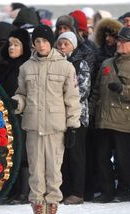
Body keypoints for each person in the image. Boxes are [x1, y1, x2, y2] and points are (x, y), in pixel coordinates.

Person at [12, 25, 81, 214]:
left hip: (55, 128)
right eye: (37, 41)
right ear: (33, 43)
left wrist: (72, 127)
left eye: (44, 41)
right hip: (33, 127)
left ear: (51, 43)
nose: (41, 45)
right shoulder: (26, 68)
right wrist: (16, 103)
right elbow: (22, 94)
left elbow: (72, 99)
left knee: (53, 174)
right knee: (36, 174)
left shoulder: (65, 67)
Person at [90, 27, 130, 203]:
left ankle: (123, 191)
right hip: (103, 119)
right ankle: (106, 191)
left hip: (124, 120)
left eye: (124, 41)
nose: (119, 43)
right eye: (119, 40)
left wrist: (124, 89)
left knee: (123, 160)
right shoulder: (107, 63)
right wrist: (92, 112)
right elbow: (96, 92)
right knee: (102, 158)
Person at [55, 31, 91, 205]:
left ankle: (77, 192)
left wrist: (60, 98)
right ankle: (64, 190)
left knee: (76, 154)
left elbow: (83, 91)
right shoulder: (53, 63)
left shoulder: (81, 64)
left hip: (77, 115)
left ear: (74, 46)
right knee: (62, 156)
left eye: (66, 44)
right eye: (60, 44)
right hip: (57, 117)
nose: (62, 47)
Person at [0, 28, 31, 204]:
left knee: (22, 153)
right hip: (7, 114)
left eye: (16, 44)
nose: (12, 48)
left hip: (22, 114)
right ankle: (14, 191)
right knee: (11, 152)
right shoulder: (5, 65)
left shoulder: (26, 66)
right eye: (10, 44)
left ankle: (24, 192)